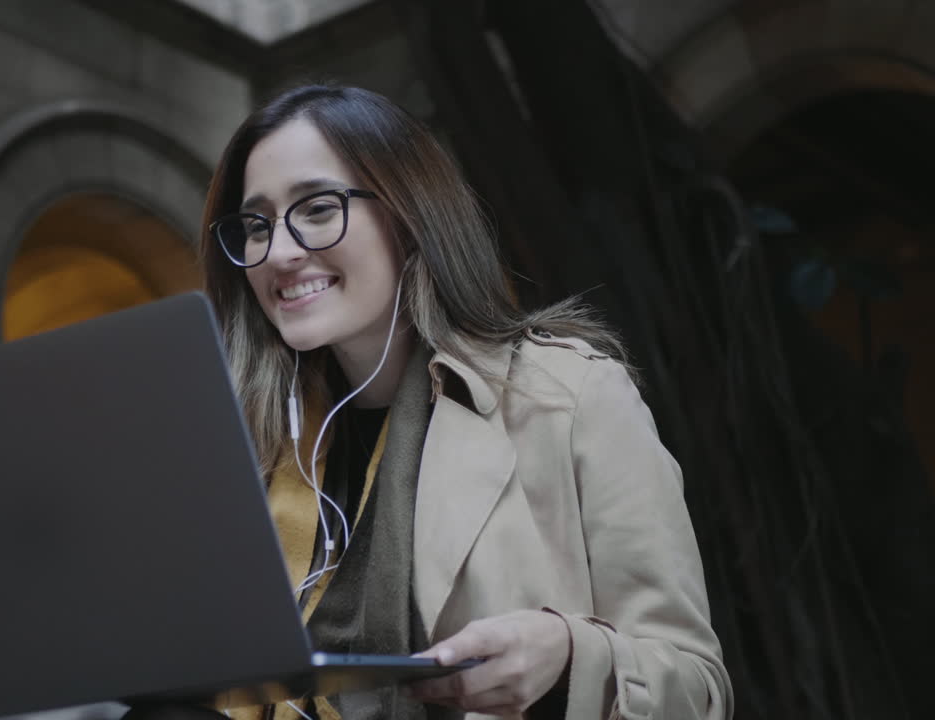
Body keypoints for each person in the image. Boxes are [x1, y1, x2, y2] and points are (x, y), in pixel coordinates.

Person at [176, 84, 733, 720]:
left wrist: (568, 659)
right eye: (255, 225)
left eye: (318, 208)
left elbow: (697, 690)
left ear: (409, 212)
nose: (278, 252)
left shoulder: (569, 397)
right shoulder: (248, 445)